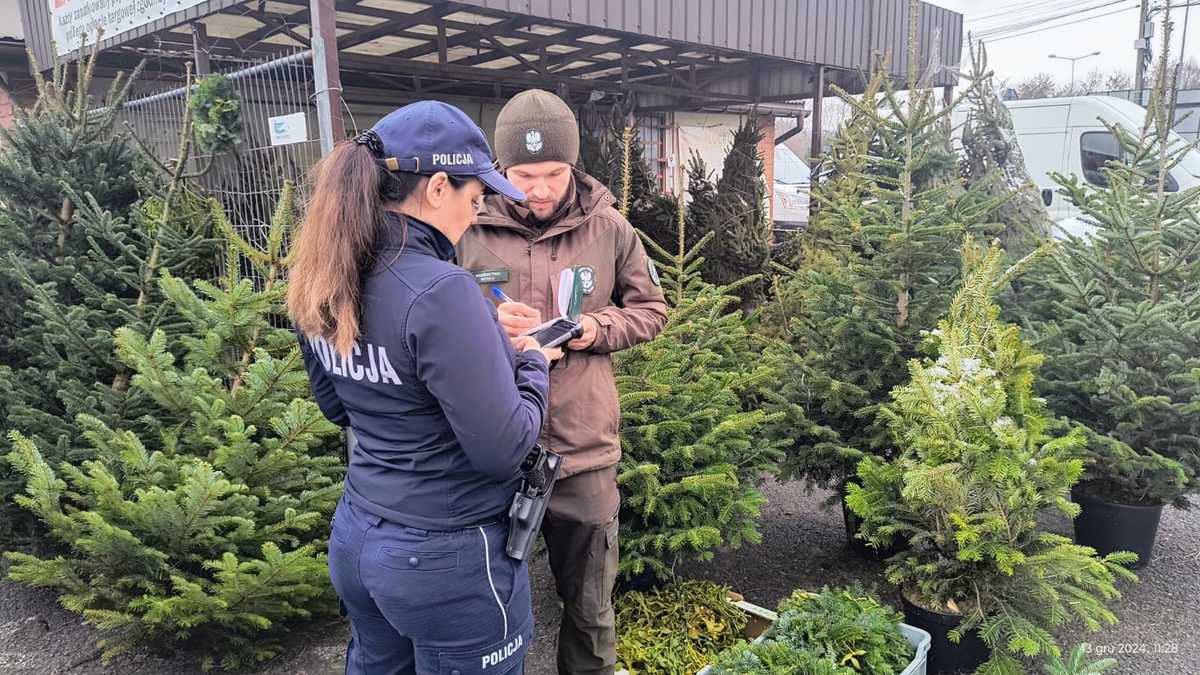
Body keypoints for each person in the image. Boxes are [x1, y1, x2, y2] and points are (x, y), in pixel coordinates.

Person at [287, 100, 559, 675]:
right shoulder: (442, 289)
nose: (478, 210)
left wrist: (483, 349)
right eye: (475, 195)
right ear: (438, 188)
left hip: (359, 538)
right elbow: (504, 448)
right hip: (449, 559)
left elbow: (339, 405)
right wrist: (533, 362)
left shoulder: (326, 270)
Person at [457, 89, 669, 674]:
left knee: (591, 608)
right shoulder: (464, 226)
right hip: (493, 445)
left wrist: (589, 327)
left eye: (554, 172)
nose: (541, 188)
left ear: (572, 164)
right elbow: (422, 313)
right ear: (501, 168)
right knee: (487, 607)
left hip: (583, 447)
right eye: (525, 174)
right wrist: (485, 322)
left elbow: (652, 309)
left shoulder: (609, 227)